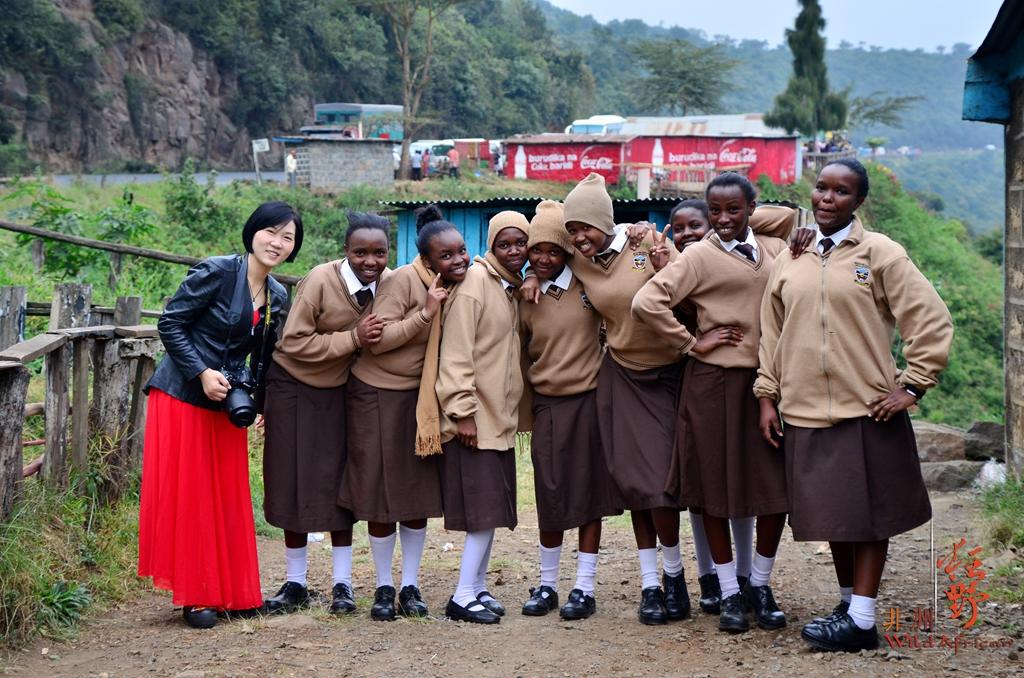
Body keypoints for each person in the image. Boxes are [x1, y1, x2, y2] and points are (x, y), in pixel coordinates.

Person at [755, 159, 953, 652]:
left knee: (868, 517)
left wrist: (913, 385)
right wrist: (767, 394)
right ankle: (849, 607)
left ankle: (862, 619)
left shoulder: (880, 252)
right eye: (821, 188)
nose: (828, 198)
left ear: (859, 201)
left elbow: (929, 318)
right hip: (804, 410)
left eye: (841, 191)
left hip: (867, 409)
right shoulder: (790, 257)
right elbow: (772, 334)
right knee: (835, 516)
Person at [633, 173, 797, 634]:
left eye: (734, 210)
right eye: (716, 211)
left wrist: (760, 223)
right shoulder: (699, 256)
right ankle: (728, 591)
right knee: (714, 491)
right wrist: (691, 343)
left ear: (751, 209)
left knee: (773, 491)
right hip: (712, 385)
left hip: (766, 383)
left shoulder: (773, 248)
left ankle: (759, 584)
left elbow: (786, 219)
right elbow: (647, 302)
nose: (724, 219)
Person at [526, 172, 689, 626]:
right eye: (573, 230)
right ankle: (653, 584)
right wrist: (528, 276)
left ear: (605, 221)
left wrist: (662, 262)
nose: (580, 238)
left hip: (671, 372)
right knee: (639, 483)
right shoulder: (581, 262)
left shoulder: (646, 242)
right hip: (623, 376)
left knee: (665, 487)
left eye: (586, 228)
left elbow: (691, 290)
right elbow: (545, 259)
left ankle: (680, 575)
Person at [138, 201, 300, 629]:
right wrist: (201, 372)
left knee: (228, 494)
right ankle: (196, 595)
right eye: (271, 232)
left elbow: (263, 356)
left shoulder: (278, 294)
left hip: (227, 401)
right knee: (193, 494)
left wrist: (261, 402)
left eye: (287, 238)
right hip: (183, 395)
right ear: (253, 232)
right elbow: (171, 324)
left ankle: (235, 592)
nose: (277, 243)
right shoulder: (217, 271)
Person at [337, 205, 470, 620]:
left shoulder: (455, 282)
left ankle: (410, 585)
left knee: (415, 495)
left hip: (418, 400)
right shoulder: (402, 281)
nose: (457, 260)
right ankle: (383, 586)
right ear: (426, 259)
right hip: (376, 395)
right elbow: (378, 340)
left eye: (461, 251)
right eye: (446, 255)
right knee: (380, 495)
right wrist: (425, 314)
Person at [261, 212, 390, 618]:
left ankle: (342, 583)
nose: (370, 261)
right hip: (293, 386)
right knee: (291, 479)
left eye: (379, 253)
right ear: (345, 251)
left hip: (340, 391)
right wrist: (353, 338)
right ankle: (295, 583)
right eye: (360, 252)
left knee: (339, 483)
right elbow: (294, 342)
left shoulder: (389, 283)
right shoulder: (320, 279)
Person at [518, 200, 620, 621]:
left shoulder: (587, 280)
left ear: (568, 251)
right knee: (551, 492)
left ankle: (584, 586)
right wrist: (527, 276)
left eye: (554, 250)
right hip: (548, 404)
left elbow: (613, 246)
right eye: (536, 251)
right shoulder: (525, 294)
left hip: (590, 401)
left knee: (589, 494)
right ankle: (546, 585)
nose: (544, 259)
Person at [437, 211, 529, 624]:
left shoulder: (507, 286)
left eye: (521, 242)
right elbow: (456, 353)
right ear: (491, 246)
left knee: (490, 511)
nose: (514, 251)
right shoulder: (476, 283)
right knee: (481, 512)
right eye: (504, 244)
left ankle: (476, 586)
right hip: (477, 419)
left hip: (499, 419)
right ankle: (461, 595)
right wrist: (462, 412)